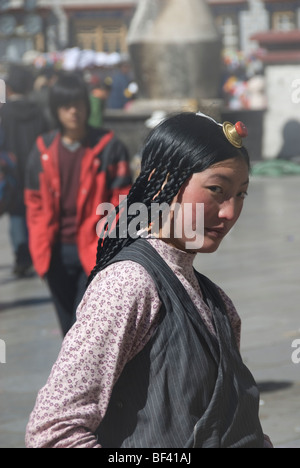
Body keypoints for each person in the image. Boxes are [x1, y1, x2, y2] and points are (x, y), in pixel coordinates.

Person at [25, 112, 273, 448]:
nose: (229, 211)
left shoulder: (218, 303)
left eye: (241, 194)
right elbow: (53, 431)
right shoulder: (128, 284)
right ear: (162, 180)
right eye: (217, 189)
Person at [24, 72, 132, 337]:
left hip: (94, 249)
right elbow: (34, 202)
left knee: (86, 324)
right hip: (55, 252)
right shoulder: (42, 150)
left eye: (78, 104)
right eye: (65, 106)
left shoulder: (109, 147)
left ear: (87, 105)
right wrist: (39, 250)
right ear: (56, 110)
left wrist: (110, 243)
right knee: (67, 328)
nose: (73, 111)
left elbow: (122, 200)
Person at [0, 64, 49, 277]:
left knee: (17, 214)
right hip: (37, 170)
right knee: (36, 212)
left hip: (10, 172)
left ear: (9, 88)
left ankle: (22, 256)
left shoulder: (4, 113)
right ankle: (38, 254)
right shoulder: (38, 111)